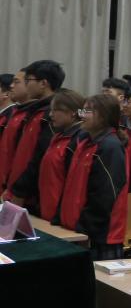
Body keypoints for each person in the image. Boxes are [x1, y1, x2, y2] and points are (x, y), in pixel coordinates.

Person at [56, 94, 127, 260]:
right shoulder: (85, 143)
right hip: (77, 229)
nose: (82, 115)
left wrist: (84, 228)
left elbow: (105, 196)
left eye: (88, 111)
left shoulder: (110, 147)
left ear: (103, 115)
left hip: (98, 236)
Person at [3, 60, 63, 211]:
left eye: (28, 80)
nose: (26, 84)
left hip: (30, 196)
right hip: (16, 188)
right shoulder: (33, 111)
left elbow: (39, 157)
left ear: (43, 83)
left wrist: (20, 190)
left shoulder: (49, 115)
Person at [37, 89, 85, 222]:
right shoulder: (58, 136)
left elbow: (73, 184)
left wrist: (60, 215)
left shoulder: (77, 141)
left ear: (72, 113)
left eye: (56, 110)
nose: (50, 114)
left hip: (61, 216)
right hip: (47, 209)